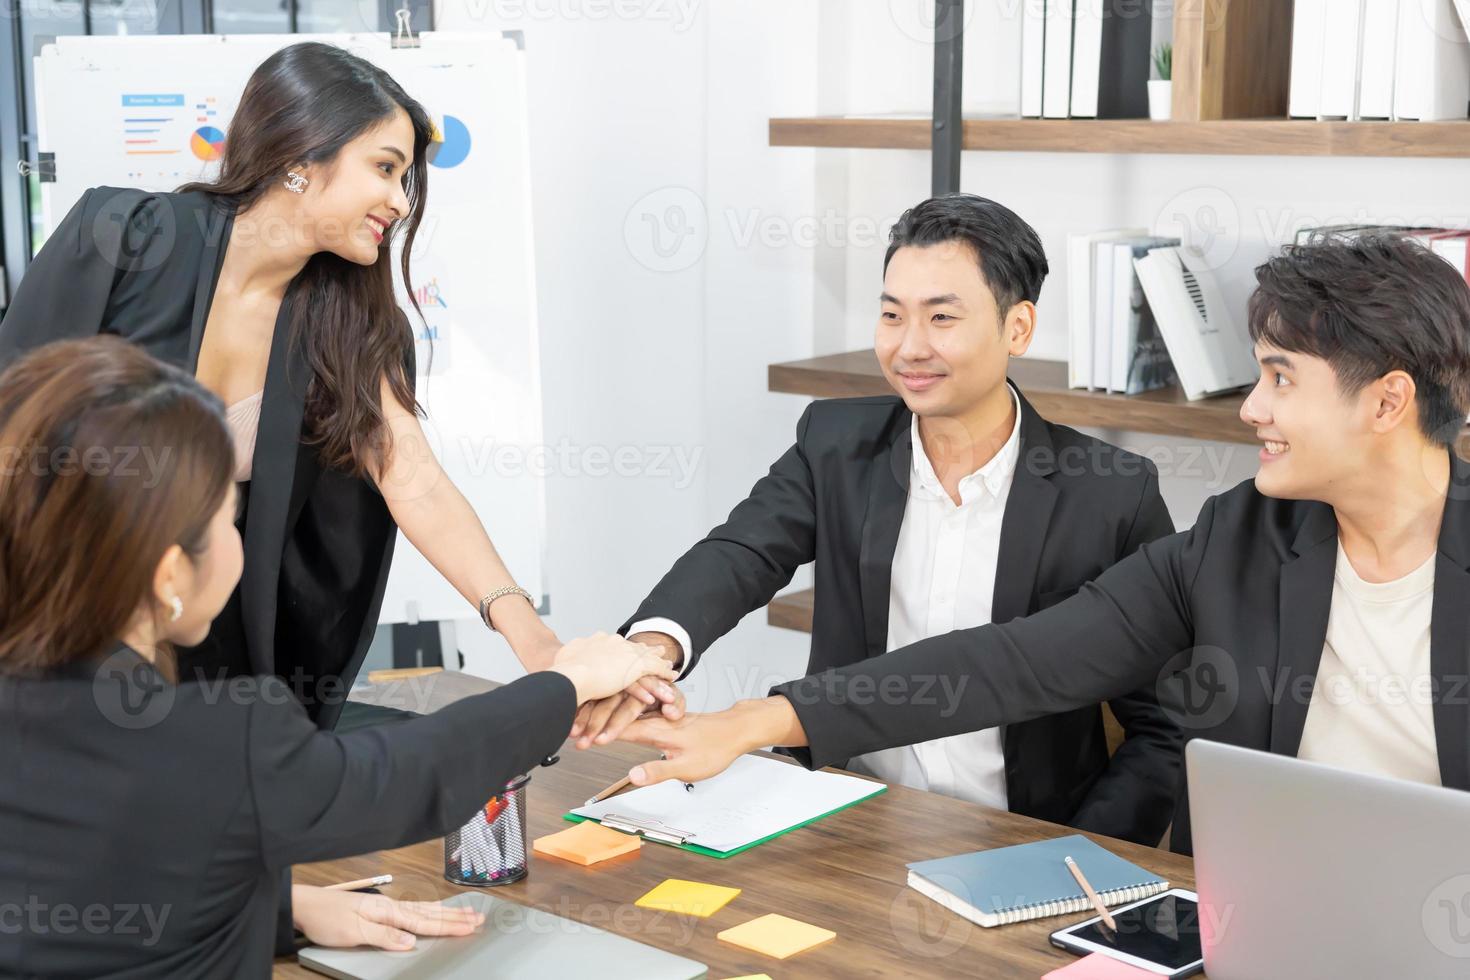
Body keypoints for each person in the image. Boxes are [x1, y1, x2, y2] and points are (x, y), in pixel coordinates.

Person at [617, 233, 1470, 856]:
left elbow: (1157, 735)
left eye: (1279, 377)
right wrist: (758, 720)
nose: (1251, 407)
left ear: (1387, 403)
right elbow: (1016, 661)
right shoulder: (1239, 535)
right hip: (1273, 916)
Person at [0, 337, 677, 976]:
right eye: (226, 514)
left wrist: (277, 911)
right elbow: (409, 776)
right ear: (172, 577)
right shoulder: (218, 740)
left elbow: (85, 892)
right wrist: (565, 682)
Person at [579, 195, 1182, 845]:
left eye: (942, 317)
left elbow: (1166, 726)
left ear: (1018, 328)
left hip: (1021, 834)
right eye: (892, 315)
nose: (909, 346)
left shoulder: (1110, 493)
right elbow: (742, 551)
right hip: (847, 819)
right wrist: (652, 649)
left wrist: (1082, 854)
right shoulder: (835, 442)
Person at [0, 42, 562, 729]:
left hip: (216, 657)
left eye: (407, 178)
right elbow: (14, 427)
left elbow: (413, 477)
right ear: (300, 157)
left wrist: (531, 637)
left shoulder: (350, 324)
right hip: (59, 631)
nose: (400, 200)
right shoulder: (125, 237)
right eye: (385, 169)